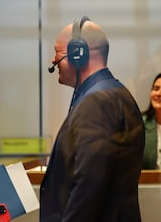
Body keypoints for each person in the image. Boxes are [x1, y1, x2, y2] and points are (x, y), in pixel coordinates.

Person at [40, 16, 145, 221]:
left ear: (78, 53)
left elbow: (89, 186)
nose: (53, 60)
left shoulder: (97, 102)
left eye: (58, 53)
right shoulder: (112, 93)